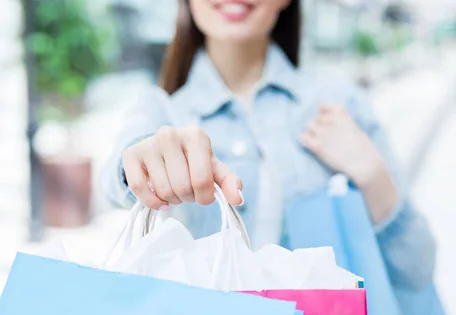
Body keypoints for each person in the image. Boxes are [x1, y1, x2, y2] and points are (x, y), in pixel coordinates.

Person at [102, 0, 435, 288]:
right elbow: (114, 178)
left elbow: (416, 268)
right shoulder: (161, 111)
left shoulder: (340, 104)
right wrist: (142, 164)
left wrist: (372, 173)